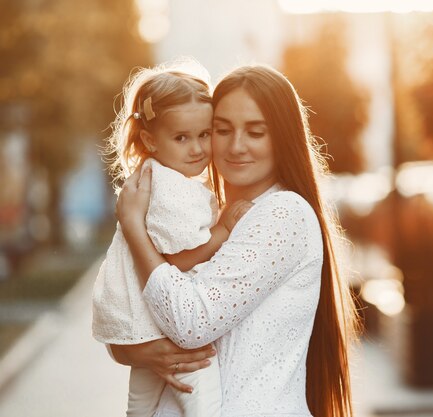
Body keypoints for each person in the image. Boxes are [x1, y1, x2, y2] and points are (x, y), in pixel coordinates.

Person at [112, 64, 359, 417]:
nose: (236, 146)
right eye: (221, 130)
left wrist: (134, 227)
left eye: (256, 132)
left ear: (282, 138)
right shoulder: (205, 218)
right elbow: (130, 307)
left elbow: (191, 322)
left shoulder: (282, 214)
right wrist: (132, 351)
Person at [93, 61, 251, 417]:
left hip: (138, 324)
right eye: (182, 138)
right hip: (158, 320)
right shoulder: (170, 188)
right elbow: (176, 261)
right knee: (204, 399)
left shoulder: (155, 176)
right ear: (150, 140)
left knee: (140, 407)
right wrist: (222, 232)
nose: (197, 149)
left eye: (205, 134)